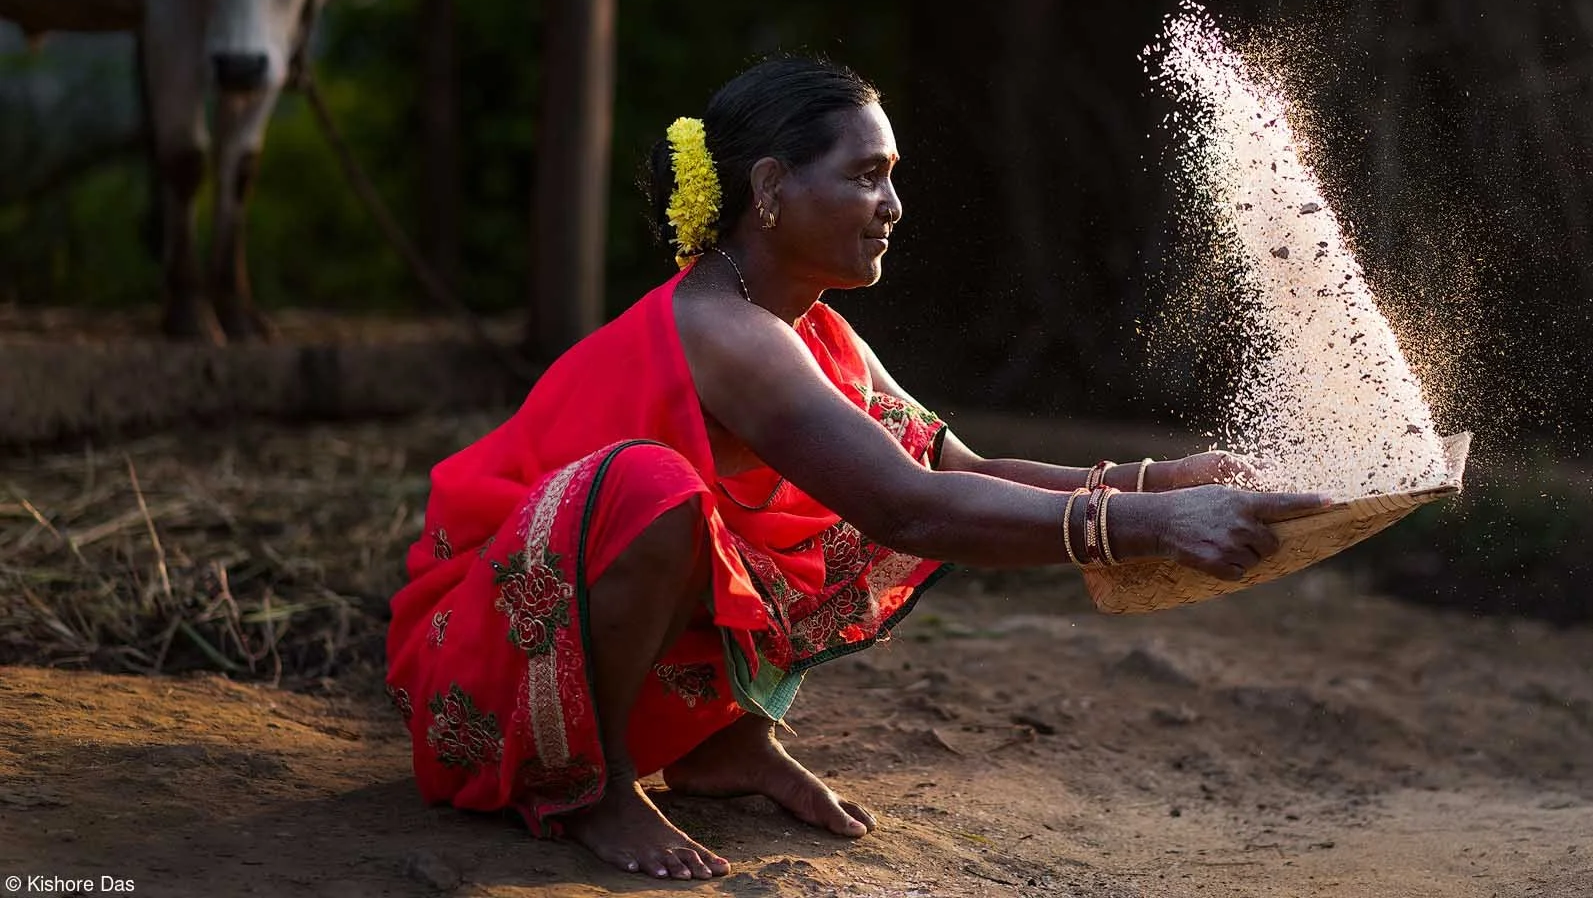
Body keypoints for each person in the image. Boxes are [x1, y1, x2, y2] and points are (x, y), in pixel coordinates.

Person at [384, 57, 1328, 881]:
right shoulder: (729, 334)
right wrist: (1153, 530)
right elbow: (910, 511)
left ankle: (723, 743)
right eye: (868, 175)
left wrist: (1160, 482)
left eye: (893, 177)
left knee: (827, 483)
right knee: (654, 488)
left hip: (562, 635)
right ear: (770, 188)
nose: (894, 206)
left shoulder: (816, 332)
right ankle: (594, 787)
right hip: (480, 665)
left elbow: (963, 465)